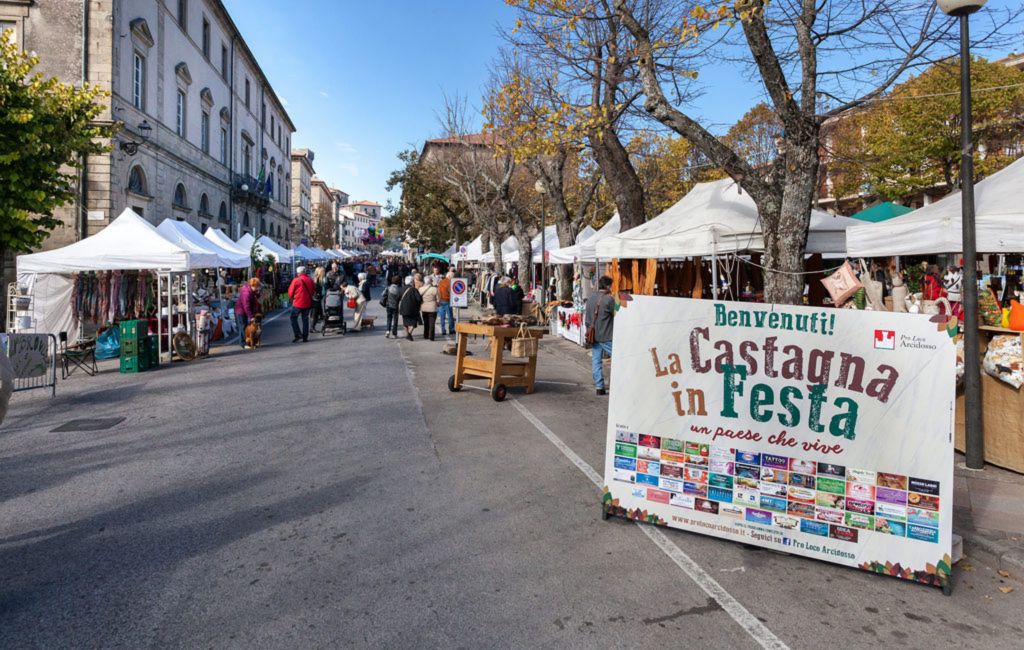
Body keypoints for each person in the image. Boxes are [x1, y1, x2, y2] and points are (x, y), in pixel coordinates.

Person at [586, 275, 615, 396]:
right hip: (607, 334)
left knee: (596, 361)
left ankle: (599, 386)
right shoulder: (609, 299)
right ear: (608, 286)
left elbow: (587, 318)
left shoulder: (590, 298)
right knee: (619, 358)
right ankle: (618, 383)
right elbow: (617, 314)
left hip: (594, 335)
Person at [288, 266, 315, 342]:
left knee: (293, 318)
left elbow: (290, 292)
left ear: (298, 273)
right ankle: (305, 337)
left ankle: (298, 334)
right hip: (307, 303)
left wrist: (293, 297)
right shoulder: (310, 280)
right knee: (305, 320)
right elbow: (313, 291)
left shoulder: (296, 280)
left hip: (297, 303)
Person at [234, 277, 262, 349]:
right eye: (257, 287)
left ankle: (249, 342)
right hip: (240, 311)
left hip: (244, 310)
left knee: (246, 326)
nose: (258, 288)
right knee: (243, 327)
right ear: (253, 285)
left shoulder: (251, 290)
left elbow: (255, 298)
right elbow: (246, 306)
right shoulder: (246, 293)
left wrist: (258, 293)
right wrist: (251, 317)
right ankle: (243, 344)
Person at [398, 275, 423, 341]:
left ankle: (407, 334)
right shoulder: (414, 289)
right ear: (411, 282)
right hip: (412, 309)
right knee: (414, 322)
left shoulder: (401, 289)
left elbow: (398, 297)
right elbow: (419, 299)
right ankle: (409, 333)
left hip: (403, 308)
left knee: (405, 322)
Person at [419, 276, 439, 341]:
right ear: (430, 281)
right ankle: (431, 336)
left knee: (426, 322)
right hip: (432, 307)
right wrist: (438, 304)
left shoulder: (421, 289)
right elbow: (438, 299)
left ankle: (426, 335)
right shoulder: (435, 289)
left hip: (424, 307)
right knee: (432, 322)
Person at [437, 271, 453, 337]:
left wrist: (439, 299)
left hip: (441, 301)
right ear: (449, 276)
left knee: (442, 317)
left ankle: (443, 330)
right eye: (452, 276)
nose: (453, 277)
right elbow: (451, 292)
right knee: (450, 316)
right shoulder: (449, 282)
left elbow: (438, 291)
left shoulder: (441, 282)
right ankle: (451, 329)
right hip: (447, 301)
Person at [310, 266, 326, 332]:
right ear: (320, 272)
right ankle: (312, 328)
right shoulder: (317, 280)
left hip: (316, 298)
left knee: (318, 313)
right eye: (323, 271)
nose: (324, 272)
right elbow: (317, 289)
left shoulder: (316, 278)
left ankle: (313, 327)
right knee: (315, 313)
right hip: (316, 298)